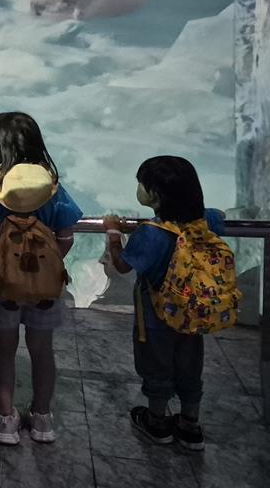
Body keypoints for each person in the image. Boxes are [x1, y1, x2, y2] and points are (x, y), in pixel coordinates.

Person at [0, 112, 82, 445]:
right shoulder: (54, 191)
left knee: (4, 350)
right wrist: (45, 267)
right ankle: (42, 417)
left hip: (2, 288)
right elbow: (67, 237)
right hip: (46, 289)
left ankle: (6, 420)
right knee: (42, 350)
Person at [104, 156, 224, 451]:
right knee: (190, 366)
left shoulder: (151, 233)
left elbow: (122, 265)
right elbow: (219, 215)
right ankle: (190, 424)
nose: (138, 188)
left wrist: (114, 232)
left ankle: (157, 421)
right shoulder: (206, 221)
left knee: (156, 365)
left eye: (141, 184)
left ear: (155, 195)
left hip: (156, 317)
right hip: (193, 313)